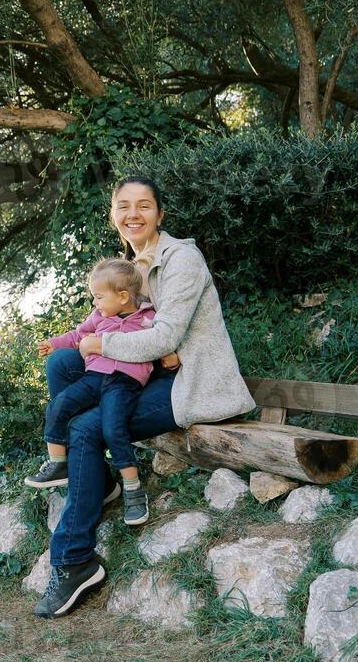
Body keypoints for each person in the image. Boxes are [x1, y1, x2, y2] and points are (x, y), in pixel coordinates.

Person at [33, 175, 256, 619]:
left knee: (84, 428)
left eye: (144, 206)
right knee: (61, 365)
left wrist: (106, 347)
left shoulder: (182, 259)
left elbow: (164, 336)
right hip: (148, 375)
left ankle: (74, 558)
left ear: (159, 214)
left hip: (190, 383)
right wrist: (92, 344)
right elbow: (104, 326)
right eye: (123, 206)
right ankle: (102, 480)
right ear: (113, 213)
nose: (133, 214)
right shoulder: (127, 269)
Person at [23, 258, 163, 528]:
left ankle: (133, 489)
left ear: (123, 297)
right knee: (59, 405)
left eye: (99, 297)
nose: (95, 303)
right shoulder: (100, 317)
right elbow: (78, 336)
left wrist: (171, 354)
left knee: (113, 429)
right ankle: (57, 462)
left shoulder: (149, 318)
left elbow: (161, 342)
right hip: (95, 376)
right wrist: (54, 343)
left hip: (124, 382)